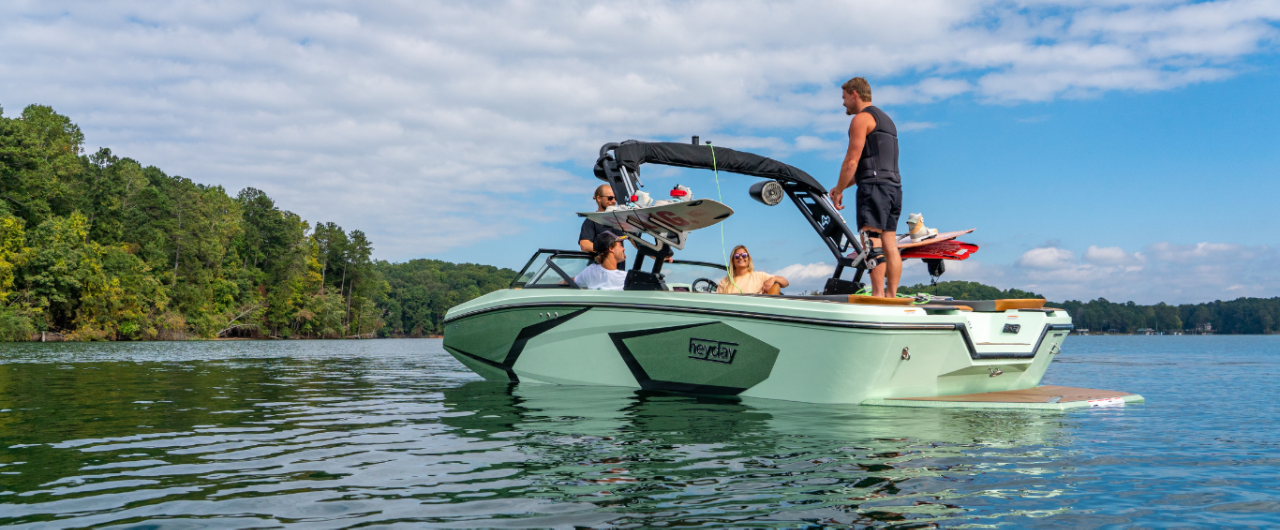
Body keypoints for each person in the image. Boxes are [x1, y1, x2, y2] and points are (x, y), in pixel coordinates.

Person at [828, 77, 902, 298]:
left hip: (874, 188)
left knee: (871, 241)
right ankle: (890, 296)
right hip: (893, 187)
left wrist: (839, 190)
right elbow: (868, 166)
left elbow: (852, 161)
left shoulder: (861, 119)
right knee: (889, 242)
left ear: (854, 94)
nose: (843, 104)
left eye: (844, 98)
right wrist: (841, 185)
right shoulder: (887, 121)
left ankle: (878, 296)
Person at [716, 245, 788, 294]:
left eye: (744, 255)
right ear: (732, 261)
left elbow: (785, 282)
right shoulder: (724, 282)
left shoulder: (759, 276)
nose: (741, 258)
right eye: (737, 256)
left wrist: (773, 279)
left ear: (748, 259)